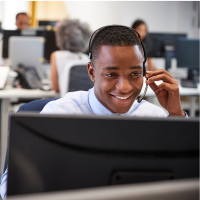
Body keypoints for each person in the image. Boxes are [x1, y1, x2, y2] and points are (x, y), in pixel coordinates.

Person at [0, 25, 187, 200]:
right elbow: (8, 188)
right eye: (111, 74)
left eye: (135, 74)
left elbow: (186, 183)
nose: (124, 87)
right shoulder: (59, 114)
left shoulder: (155, 117)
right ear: (92, 72)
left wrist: (177, 116)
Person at [50, 19, 91, 97]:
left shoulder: (56, 55)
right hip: (86, 105)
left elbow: (56, 88)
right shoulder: (86, 59)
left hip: (66, 105)